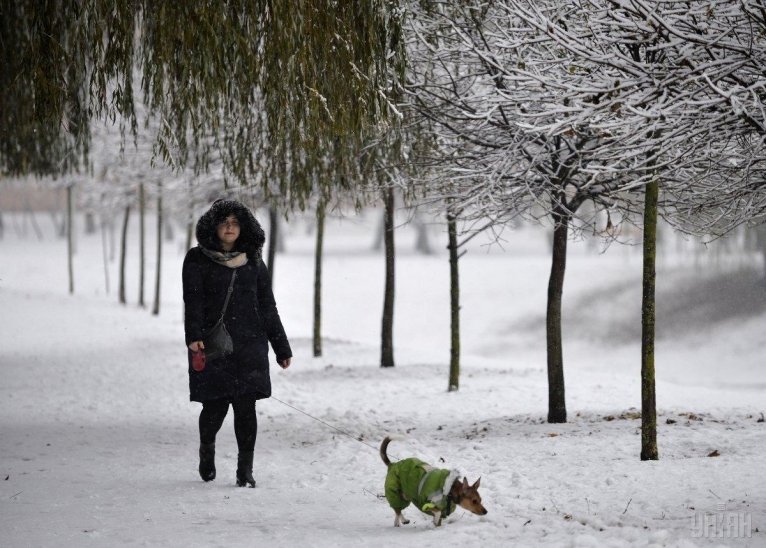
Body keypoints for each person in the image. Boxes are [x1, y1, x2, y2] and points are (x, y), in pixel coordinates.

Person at [182, 199, 292, 487]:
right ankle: (207, 451)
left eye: (235, 222)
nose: (229, 227)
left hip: (250, 345)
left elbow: (268, 305)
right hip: (213, 345)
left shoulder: (254, 260)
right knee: (214, 408)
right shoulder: (197, 259)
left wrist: (281, 347)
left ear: (243, 227)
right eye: (224, 221)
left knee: (246, 408)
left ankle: (245, 469)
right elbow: (192, 300)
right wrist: (193, 337)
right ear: (213, 226)